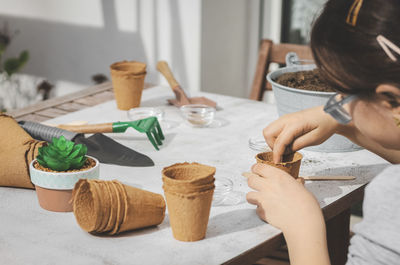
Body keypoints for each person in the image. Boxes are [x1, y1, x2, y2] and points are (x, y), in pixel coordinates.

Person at [246, 0, 400, 264]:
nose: (339, 104)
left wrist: (302, 225)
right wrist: (342, 123)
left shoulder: (391, 194)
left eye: (342, 94)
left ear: (391, 100)